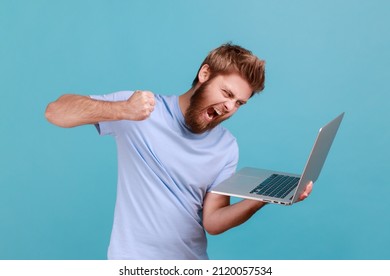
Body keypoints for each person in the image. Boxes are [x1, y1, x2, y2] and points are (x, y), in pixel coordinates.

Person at [45, 43, 312, 260]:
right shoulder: (142, 109)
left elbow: (213, 221)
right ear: (205, 74)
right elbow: (56, 111)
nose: (230, 107)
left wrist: (265, 197)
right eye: (227, 93)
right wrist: (122, 110)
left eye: (239, 102)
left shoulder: (226, 146)